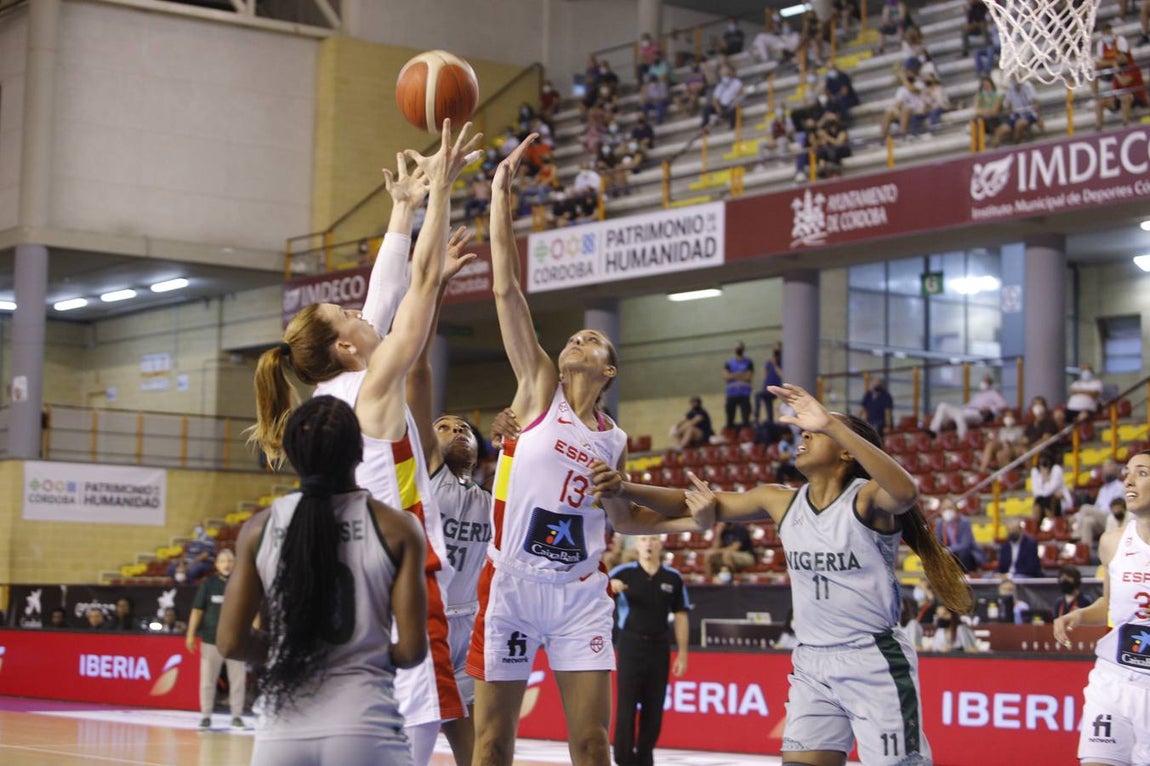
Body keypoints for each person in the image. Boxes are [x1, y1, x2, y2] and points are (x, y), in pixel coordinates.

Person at [468, 134, 712, 766]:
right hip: (514, 584)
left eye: (592, 339)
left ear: (609, 370)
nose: (578, 338)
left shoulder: (614, 439)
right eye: (574, 336)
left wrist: (691, 519)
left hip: (579, 590)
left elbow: (624, 520)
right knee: (493, 742)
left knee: (592, 742)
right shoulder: (538, 390)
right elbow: (506, 293)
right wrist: (501, 200)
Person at [249, 122, 480, 765]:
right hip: (399, 579)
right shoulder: (373, 386)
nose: (360, 312)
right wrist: (441, 191)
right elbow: (422, 282)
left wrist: (401, 209)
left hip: (356, 580)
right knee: (398, 745)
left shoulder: (336, 397)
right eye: (347, 317)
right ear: (346, 349)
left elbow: (387, 290)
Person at [595, 383, 974, 765]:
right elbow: (690, 501)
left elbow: (906, 492)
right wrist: (624, 487)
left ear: (845, 451)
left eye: (816, 433)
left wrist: (833, 423)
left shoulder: (866, 498)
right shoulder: (779, 499)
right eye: (805, 432)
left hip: (872, 660)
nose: (804, 436)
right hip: (811, 662)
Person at [217, 396, 429, 766]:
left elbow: (231, 642)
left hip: (279, 729)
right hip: (364, 722)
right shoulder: (397, 528)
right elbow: (412, 651)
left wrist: (289, 654)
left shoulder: (257, 529)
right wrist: (363, 658)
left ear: (294, 456)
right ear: (359, 451)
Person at [1054, 449, 1150, 766]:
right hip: (1113, 678)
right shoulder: (1112, 542)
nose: (1128, 479)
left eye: (1142, 472)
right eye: (1127, 471)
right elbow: (1109, 606)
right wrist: (1079, 615)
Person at [608, 535, 690, 766]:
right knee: (626, 705)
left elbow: (681, 615)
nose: (648, 543)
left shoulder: (673, 578)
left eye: (653, 539)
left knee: (654, 707)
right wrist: (610, 589)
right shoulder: (623, 573)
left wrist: (682, 653)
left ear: (660, 544)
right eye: (643, 539)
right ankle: (623, 759)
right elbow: (596, 597)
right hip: (630, 644)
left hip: (659, 646)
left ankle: (645, 757)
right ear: (637, 545)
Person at [186, 548, 246, 730]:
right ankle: (206, 716)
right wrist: (190, 634)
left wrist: (255, 630)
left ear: (235, 564)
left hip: (236, 640)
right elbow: (197, 610)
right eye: (223, 561)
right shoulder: (208, 584)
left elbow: (254, 608)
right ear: (217, 564)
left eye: (230, 561)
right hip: (211, 640)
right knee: (207, 680)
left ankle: (237, 716)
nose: (226, 564)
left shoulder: (242, 582)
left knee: (238, 681)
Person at [927, 373, 1008, 439]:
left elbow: (1003, 404)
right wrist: (955, 411)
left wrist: (990, 409)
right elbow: (968, 405)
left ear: (989, 383)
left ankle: (962, 439)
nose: (983, 383)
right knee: (943, 406)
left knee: (959, 416)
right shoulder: (978, 395)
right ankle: (933, 431)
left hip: (978, 414)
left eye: (985, 381)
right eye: (983, 380)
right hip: (966, 410)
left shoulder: (993, 393)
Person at [934, 497, 984, 573]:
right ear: (940, 511)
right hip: (950, 554)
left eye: (950, 508)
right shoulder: (939, 525)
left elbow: (966, 544)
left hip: (967, 554)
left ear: (955, 509)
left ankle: (966, 575)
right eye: (944, 509)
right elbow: (938, 542)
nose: (947, 511)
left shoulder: (964, 522)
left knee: (963, 552)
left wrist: (949, 550)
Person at [1031, 451, 1073, 523]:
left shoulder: (1056, 469)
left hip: (1058, 501)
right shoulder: (1035, 471)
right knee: (1039, 500)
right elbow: (1036, 492)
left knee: (1048, 499)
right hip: (1042, 501)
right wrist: (1043, 479)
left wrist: (1046, 478)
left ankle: (1052, 524)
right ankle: (1035, 525)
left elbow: (1050, 490)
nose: (1044, 464)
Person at [723, 341, 754, 432]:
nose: (738, 349)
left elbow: (749, 376)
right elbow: (725, 376)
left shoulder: (748, 362)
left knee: (746, 420)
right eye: (737, 347)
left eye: (740, 347)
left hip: (744, 393)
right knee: (730, 420)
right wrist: (741, 374)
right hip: (731, 394)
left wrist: (732, 375)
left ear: (743, 349)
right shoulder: (729, 362)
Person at [756, 344, 784, 425]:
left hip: (777, 388)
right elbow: (765, 375)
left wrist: (775, 364)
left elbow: (781, 374)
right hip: (768, 388)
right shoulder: (769, 362)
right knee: (766, 400)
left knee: (758, 396)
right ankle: (769, 420)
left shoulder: (783, 361)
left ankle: (756, 416)